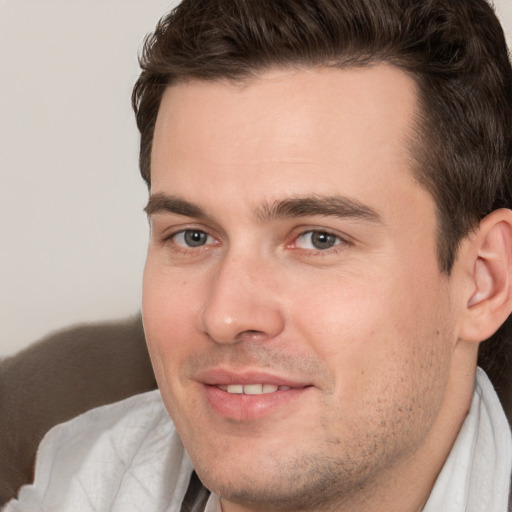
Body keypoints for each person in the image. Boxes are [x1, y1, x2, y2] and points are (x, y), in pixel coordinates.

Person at [4, 0, 512, 511]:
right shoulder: (74, 480)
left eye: (319, 239)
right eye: (192, 237)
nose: (225, 315)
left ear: (482, 281)